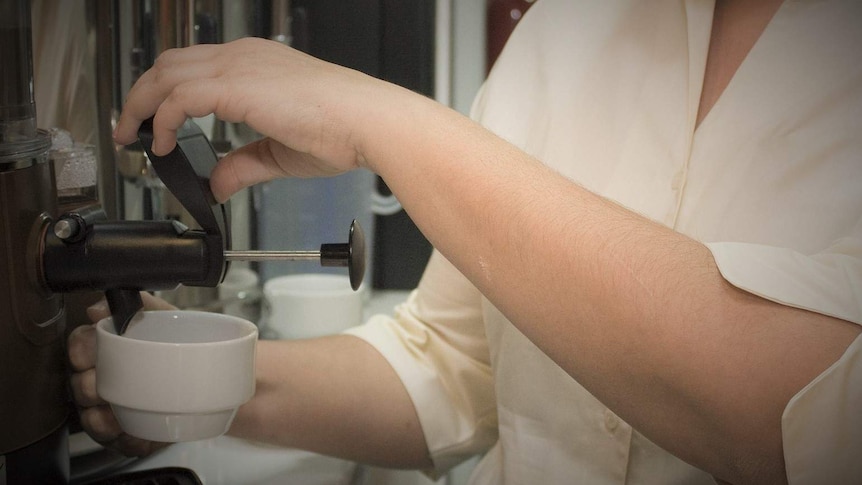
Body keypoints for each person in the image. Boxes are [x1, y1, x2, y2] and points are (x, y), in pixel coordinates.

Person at [68, 0, 862, 483]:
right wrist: (197, 387)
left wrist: (379, 119)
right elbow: (450, 364)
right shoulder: (566, 28)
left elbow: (803, 419)